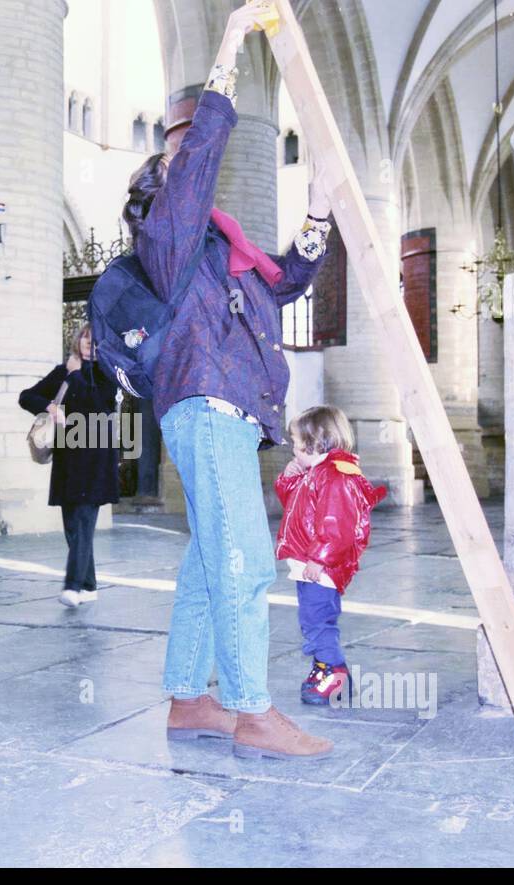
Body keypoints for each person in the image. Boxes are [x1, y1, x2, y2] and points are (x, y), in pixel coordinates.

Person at [129, 1, 337, 759]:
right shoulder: (168, 236)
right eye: (176, 164)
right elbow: (204, 151)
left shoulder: (222, 260)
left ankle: (188, 698)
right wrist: (227, 45)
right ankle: (252, 707)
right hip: (206, 405)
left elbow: (287, 281)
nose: (193, 173)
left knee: (208, 559)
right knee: (245, 557)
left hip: (228, 414)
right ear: (160, 188)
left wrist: (317, 212)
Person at [274, 406, 386, 706]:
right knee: (313, 619)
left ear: (316, 444)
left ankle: (334, 674)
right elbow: (298, 506)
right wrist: (289, 478)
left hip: (320, 567)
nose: (294, 452)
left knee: (318, 621)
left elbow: (336, 524)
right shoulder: (318, 472)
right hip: (310, 564)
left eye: (298, 446)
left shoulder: (335, 476)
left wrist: (319, 558)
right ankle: (324, 668)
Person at [19, 324, 121, 607]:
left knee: (84, 523)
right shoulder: (62, 372)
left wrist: (76, 375)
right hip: (68, 460)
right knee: (71, 527)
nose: (90, 344)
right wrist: (49, 406)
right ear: (78, 341)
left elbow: (98, 406)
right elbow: (26, 396)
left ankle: (72, 586)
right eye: (86, 338)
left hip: (97, 460)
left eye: (95, 341)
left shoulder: (108, 374)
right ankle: (89, 585)